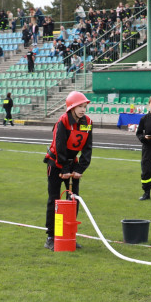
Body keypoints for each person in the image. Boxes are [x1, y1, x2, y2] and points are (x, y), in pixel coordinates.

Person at [43, 91, 93, 250]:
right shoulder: (63, 122)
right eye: (79, 106)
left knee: (74, 199)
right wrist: (64, 168)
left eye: (84, 106)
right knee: (54, 199)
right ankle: (51, 236)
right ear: (71, 107)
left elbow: (88, 148)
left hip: (73, 163)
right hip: (56, 162)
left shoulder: (88, 122)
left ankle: (69, 234)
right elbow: (59, 146)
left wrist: (80, 168)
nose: (83, 109)